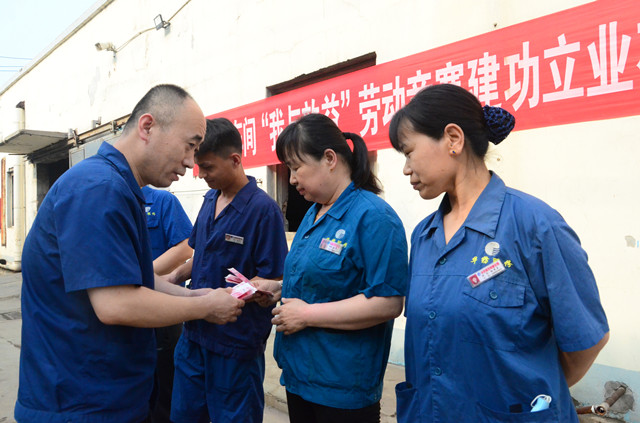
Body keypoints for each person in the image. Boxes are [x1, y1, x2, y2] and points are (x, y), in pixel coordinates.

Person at [15, 84, 244, 423]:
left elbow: (136, 279)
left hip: (105, 395)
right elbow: (116, 302)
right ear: (147, 127)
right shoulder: (98, 188)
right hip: (81, 404)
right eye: (189, 145)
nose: (190, 162)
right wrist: (205, 307)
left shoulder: (119, 187)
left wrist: (194, 294)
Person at [389, 84, 609, 422]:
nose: (406, 169)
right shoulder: (424, 236)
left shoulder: (535, 225)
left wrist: (525, 392)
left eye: (408, 152)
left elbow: (586, 340)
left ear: (453, 139)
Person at [254, 113, 408, 423]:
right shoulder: (313, 213)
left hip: (342, 388)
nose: (292, 179)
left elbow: (388, 302)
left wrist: (307, 315)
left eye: (296, 167)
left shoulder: (374, 217)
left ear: (329, 159)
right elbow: (323, 278)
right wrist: (279, 289)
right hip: (299, 376)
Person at [168, 117, 288, 423]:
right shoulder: (210, 199)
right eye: (199, 167)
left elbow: (274, 276)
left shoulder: (263, 210)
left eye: (208, 167)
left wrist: (253, 289)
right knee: (184, 415)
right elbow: (202, 254)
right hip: (194, 334)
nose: (201, 174)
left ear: (235, 160)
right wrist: (171, 278)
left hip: (234, 343)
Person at [141, 185, 193, 423]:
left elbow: (184, 248)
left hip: (164, 309)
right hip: (128, 309)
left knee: (165, 384)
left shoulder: (162, 201)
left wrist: (140, 275)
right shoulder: (114, 203)